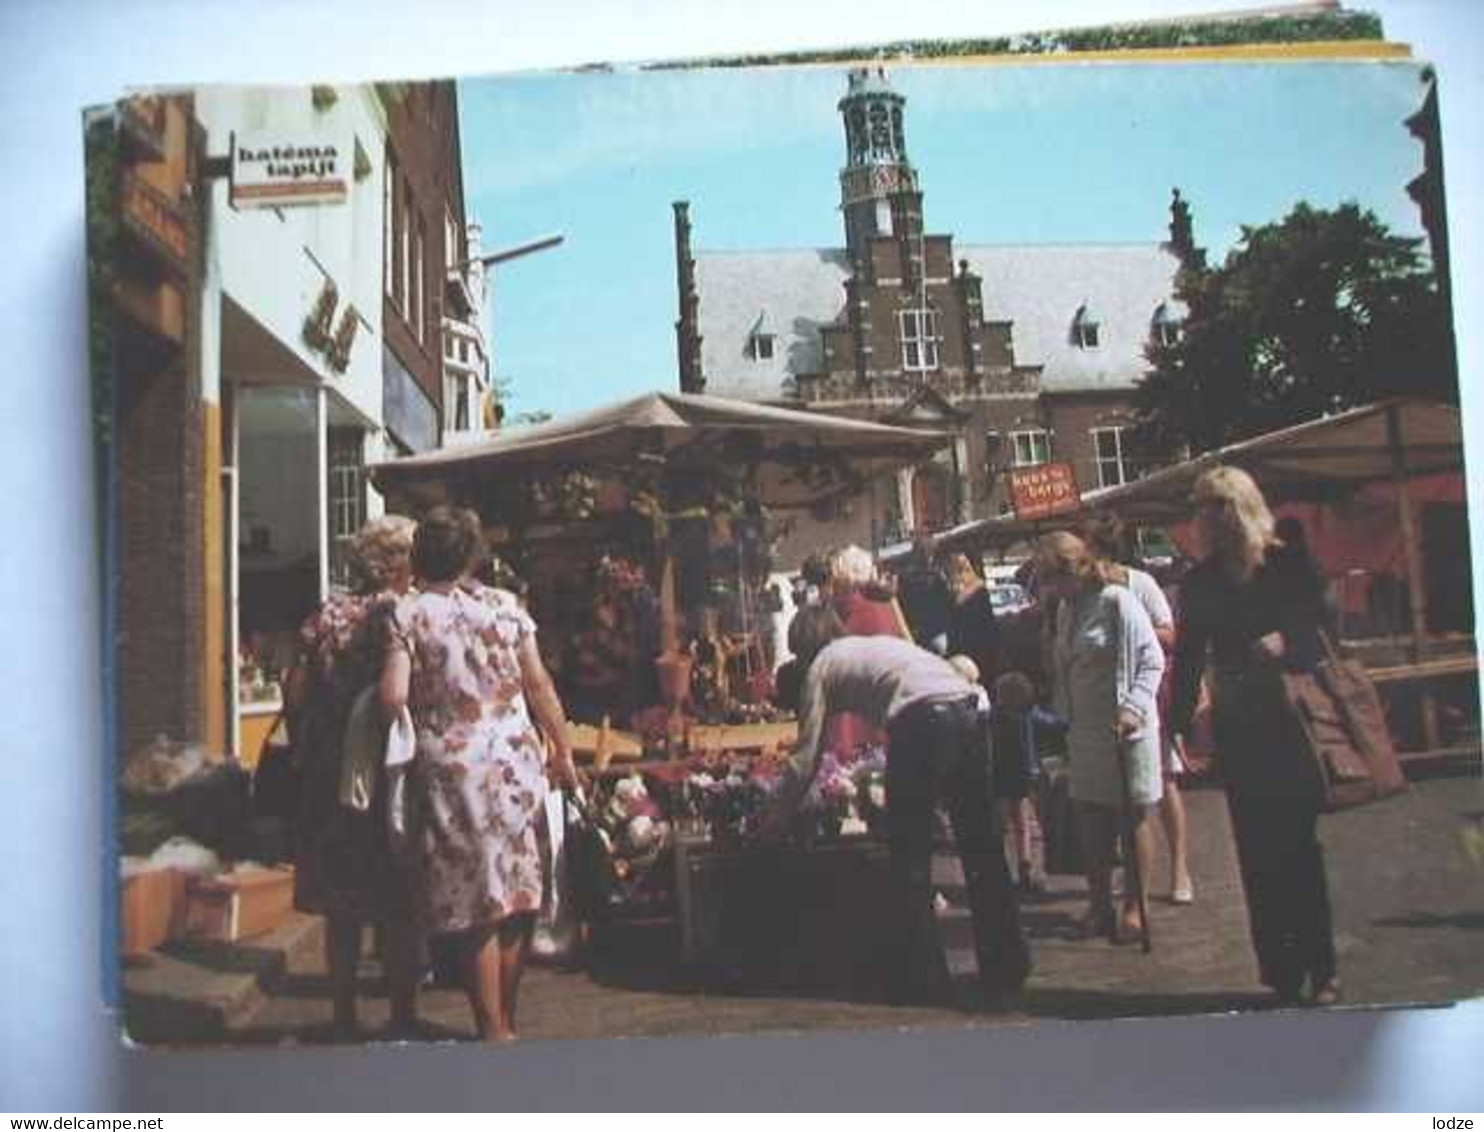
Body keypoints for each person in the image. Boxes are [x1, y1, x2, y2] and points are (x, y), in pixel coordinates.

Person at [760, 608, 1030, 1008]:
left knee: (910, 857)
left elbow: (807, 757)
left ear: (802, 649)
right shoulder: (873, 646)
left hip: (922, 721)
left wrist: (775, 817)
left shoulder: (821, 666)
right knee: (982, 849)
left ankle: (922, 980)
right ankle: (1007, 965)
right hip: (969, 709)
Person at [380, 506, 578, 1041]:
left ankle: (491, 1027)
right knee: (516, 892)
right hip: (514, 759)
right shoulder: (506, 606)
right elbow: (540, 686)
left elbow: (393, 695)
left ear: (421, 554)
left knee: (475, 899)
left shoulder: (406, 614)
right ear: (470, 554)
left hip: (451, 768)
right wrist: (562, 749)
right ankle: (506, 1020)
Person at [1170, 467, 1341, 1007]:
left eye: (1218, 504)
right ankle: (1282, 971)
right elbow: (1191, 655)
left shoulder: (1285, 561)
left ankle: (1323, 966)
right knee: (1257, 850)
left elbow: (1323, 630)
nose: (1209, 517)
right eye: (1201, 507)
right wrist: (1176, 724)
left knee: (1298, 847)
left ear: (1241, 505)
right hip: (1240, 722)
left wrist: (1286, 639)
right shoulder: (1199, 582)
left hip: (1289, 716)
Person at [283, 514, 419, 1041]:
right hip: (391, 772)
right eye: (411, 554)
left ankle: (343, 1015)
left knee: (342, 904)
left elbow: (295, 692)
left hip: (331, 775)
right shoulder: (401, 615)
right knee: (399, 896)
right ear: (396, 563)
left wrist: (310, 744)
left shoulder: (325, 616)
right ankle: (402, 1013)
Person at [1039, 531, 1165, 943]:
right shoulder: (1065, 610)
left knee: (1133, 820)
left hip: (1125, 728)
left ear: (1074, 570)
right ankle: (1100, 905)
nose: (1049, 589)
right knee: (1091, 819)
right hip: (1085, 730)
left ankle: (1135, 906)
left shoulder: (1117, 601)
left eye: (1052, 579)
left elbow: (1151, 659)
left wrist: (1133, 708)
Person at [1083, 515, 1194, 906]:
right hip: (1107, 700)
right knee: (1118, 795)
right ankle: (1132, 878)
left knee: (1163, 782)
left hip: (1148, 694)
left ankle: (1180, 868)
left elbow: (1169, 633)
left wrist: (1135, 623)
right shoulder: (1086, 592)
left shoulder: (1139, 583)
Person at [990, 670, 1066, 893]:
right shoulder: (1030, 714)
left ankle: (1002, 870)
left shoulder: (993, 716)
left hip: (1000, 774)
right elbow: (1056, 725)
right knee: (1024, 824)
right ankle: (1026, 867)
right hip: (1025, 773)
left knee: (1002, 825)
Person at [946, 551, 1005, 690]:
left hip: (980, 641)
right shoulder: (957, 585)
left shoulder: (975, 586)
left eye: (965, 563)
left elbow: (986, 616)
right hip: (966, 641)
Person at [897, 532, 955, 654]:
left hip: (920, 636)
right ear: (929, 553)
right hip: (940, 631)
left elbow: (905, 606)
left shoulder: (905, 578)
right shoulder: (936, 577)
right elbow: (948, 602)